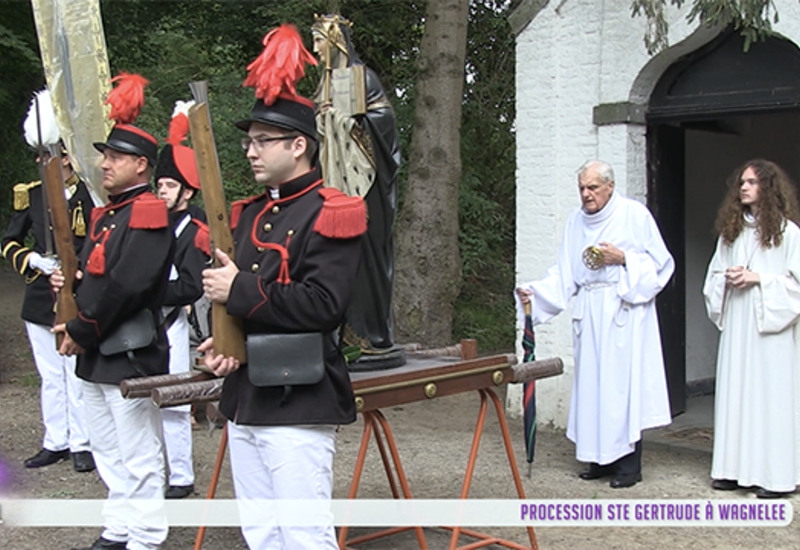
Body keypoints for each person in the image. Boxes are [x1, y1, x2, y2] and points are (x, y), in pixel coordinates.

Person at [199, 24, 366, 549]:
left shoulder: (332, 212)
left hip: (299, 398)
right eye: (248, 141)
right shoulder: (245, 216)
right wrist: (221, 342)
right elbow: (228, 296)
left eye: (262, 141)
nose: (250, 151)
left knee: (304, 535)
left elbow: (323, 305)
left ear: (299, 145)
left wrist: (239, 291)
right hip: (245, 396)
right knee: (262, 533)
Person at [52, 73, 173, 550]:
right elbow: (102, 275)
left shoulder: (146, 210)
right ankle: (120, 524)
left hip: (129, 349)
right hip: (101, 347)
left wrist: (82, 326)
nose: (104, 164)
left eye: (115, 157)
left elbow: (129, 285)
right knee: (105, 445)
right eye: (105, 155)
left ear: (141, 165)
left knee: (138, 452)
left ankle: (145, 536)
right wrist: (73, 281)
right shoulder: (110, 213)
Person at [515, 160, 674, 488]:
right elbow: (566, 271)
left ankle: (628, 465)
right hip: (589, 312)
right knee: (592, 389)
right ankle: (598, 460)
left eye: (593, 188)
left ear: (610, 186)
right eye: (582, 189)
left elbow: (662, 264)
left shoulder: (634, 215)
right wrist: (535, 291)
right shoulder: (575, 221)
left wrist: (625, 259)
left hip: (622, 312)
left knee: (619, 389)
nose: (586, 195)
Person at [1, 89, 95, 473]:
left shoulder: (91, 196)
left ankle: (82, 441)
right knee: (50, 375)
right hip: (41, 293)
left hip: (80, 290)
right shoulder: (33, 195)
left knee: (76, 371)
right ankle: (55, 439)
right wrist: (34, 261)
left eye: (52, 155)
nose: (45, 163)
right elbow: (7, 241)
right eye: (41, 156)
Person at [703, 159, 800, 499]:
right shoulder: (731, 233)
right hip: (740, 326)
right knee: (737, 395)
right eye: (742, 182)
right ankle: (732, 470)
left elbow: (797, 285)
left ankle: (775, 477)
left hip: (770, 331)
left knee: (770, 400)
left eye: (752, 182)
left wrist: (758, 278)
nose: (743, 187)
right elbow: (713, 278)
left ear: (769, 188)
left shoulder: (789, 234)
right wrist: (727, 280)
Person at [311, 14, 404, 368]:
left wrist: (344, 120)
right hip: (334, 182)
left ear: (335, 41)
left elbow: (385, 126)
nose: (315, 49)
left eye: (319, 41)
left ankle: (370, 336)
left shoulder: (363, 78)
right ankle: (340, 333)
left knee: (366, 257)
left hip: (365, 186)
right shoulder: (325, 82)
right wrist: (323, 118)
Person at [154, 101, 210, 500]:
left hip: (172, 323)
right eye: (159, 185)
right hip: (143, 322)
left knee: (173, 401)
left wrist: (147, 293)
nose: (162, 191)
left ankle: (181, 476)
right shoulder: (151, 224)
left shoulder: (196, 231)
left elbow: (190, 287)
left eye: (169, 186)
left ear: (187, 191)